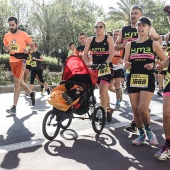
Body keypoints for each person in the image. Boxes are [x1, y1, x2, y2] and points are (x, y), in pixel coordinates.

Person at [115, 5, 162, 133]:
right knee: (135, 105)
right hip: (131, 66)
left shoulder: (147, 27)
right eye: (131, 13)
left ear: (141, 15)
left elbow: (158, 39)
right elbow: (116, 46)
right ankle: (139, 122)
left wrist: (153, 58)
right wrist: (124, 45)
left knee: (141, 106)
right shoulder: (124, 29)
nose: (133, 15)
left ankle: (139, 122)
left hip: (146, 68)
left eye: (136, 13)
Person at [124, 16, 166, 146]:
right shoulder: (130, 45)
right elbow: (126, 61)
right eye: (138, 25)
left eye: (143, 25)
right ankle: (141, 134)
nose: (140, 27)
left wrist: (154, 66)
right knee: (135, 110)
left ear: (149, 28)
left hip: (147, 79)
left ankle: (149, 132)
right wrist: (126, 64)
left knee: (143, 109)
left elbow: (165, 61)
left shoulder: (154, 44)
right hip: (133, 79)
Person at [83, 21, 114, 122]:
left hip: (106, 68)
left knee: (102, 91)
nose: (98, 28)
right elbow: (84, 54)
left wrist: (105, 63)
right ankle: (108, 109)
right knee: (103, 92)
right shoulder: (90, 40)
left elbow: (112, 53)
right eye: (96, 27)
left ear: (104, 28)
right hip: (95, 68)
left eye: (100, 27)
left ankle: (104, 114)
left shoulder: (108, 38)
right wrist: (88, 63)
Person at [3, 16, 36, 114]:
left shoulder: (23, 34)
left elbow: (33, 46)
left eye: (13, 25)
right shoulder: (7, 35)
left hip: (21, 60)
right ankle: (31, 93)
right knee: (20, 82)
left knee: (16, 82)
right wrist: (7, 49)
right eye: (10, 25)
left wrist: (28, 50)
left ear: (17, 24)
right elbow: (5, 48)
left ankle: (14, 107)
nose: (11, 27)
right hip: (12, 60)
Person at [108, 29, 124, 110]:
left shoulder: (122, 46)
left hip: (118, 68)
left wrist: (123, 60)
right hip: (110, 68)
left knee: (117, 86)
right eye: (114, 34)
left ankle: (117, 103)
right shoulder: (109, 45)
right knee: (110, 87)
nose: (115, 36)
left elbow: (125, 56)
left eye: (117, 34)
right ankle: (119, 93)